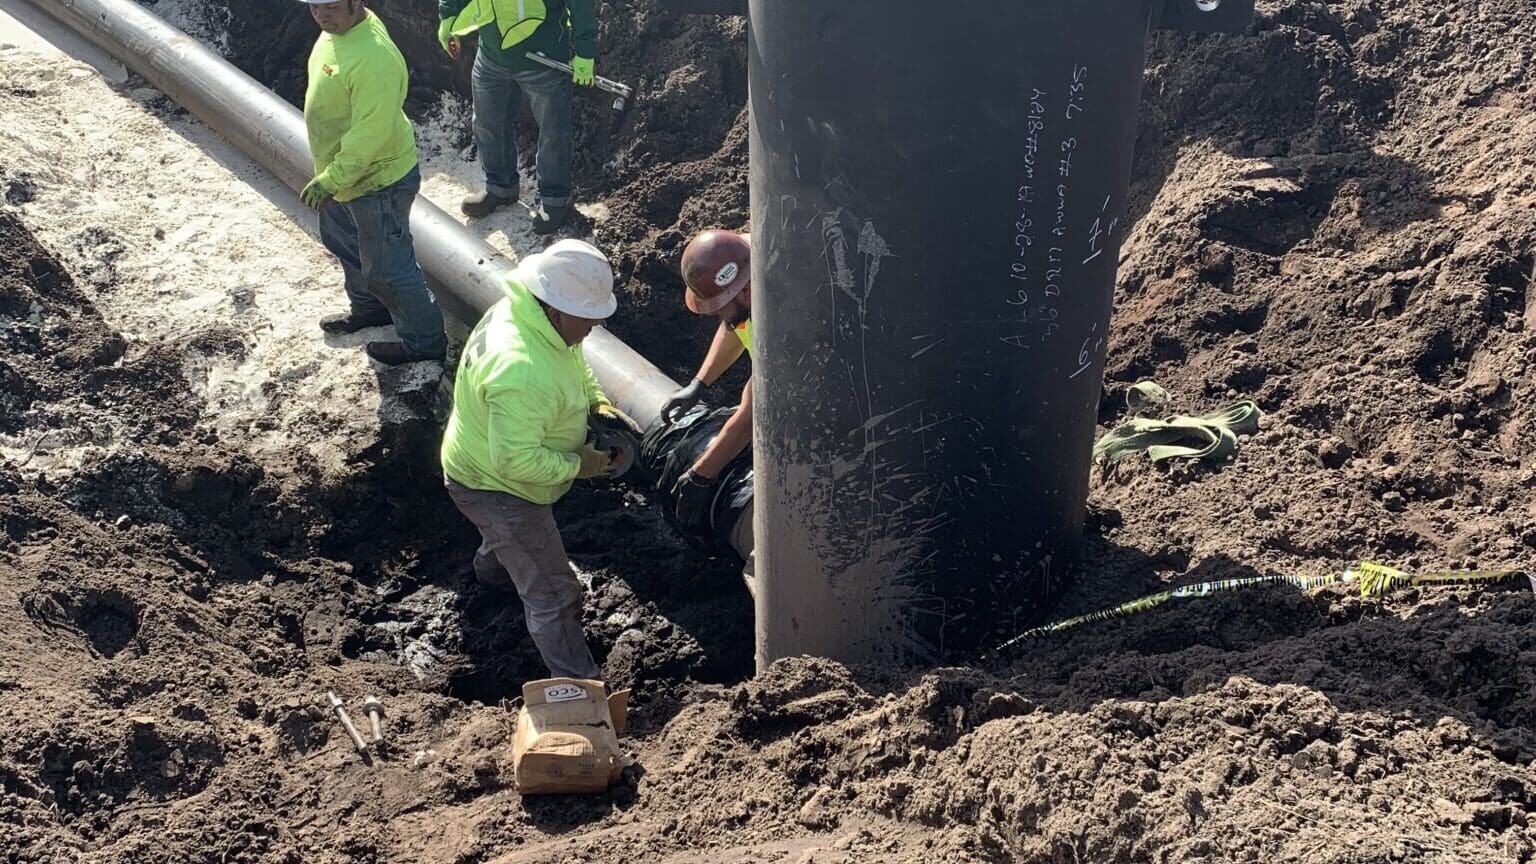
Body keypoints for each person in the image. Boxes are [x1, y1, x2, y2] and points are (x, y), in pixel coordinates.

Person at [440, 239, 633, 680]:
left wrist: (596, 402)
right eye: (590, 319)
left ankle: (493, 574)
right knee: (555, 594)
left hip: (477, 466)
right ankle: (582, 687)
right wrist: (577, 466)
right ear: (559, 309)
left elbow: (573, 360)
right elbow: (516, 463)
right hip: (499, 487)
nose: (594, 329)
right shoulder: (521, 368)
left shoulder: (530, 315)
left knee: (508, 541)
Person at [298, 0, 447, 365]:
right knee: (344, 243)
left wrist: (331, 179)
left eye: (330, 6)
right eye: (314, 7)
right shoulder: (337, 32)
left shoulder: (374, 57)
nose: (320, 15)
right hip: (345, 177)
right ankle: (371, 309)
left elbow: (370, 133)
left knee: (389, 269)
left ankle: (425, 342)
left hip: (377, 181)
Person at [437, 0, 598, 233]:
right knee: (487, 123)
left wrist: (585, 51)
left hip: (543, 60)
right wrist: (448, 16)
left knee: (553, 132)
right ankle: (500, 187)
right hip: (491, 55)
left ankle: (555, 199)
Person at [659, 230, 753, 532]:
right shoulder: (745, 260)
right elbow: (735, 324)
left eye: (719, 305)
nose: (716, 315)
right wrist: (700, 383)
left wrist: (701, 476)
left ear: (747, 290)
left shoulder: (790, 321)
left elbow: (759, 410)